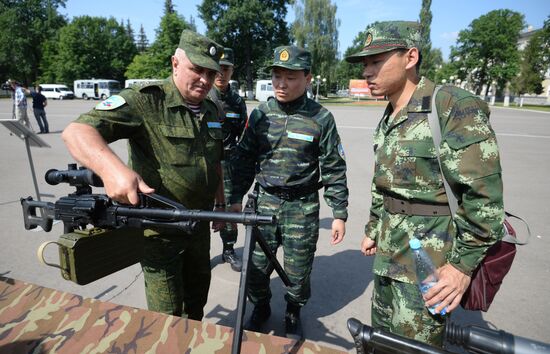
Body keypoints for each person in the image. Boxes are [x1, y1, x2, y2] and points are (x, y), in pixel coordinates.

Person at [345, 21, 505, 346]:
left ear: (411, 57)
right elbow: (384, 183)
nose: (368, 72)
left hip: (430, 263)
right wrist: (374, 228)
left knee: (415, 348)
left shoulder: (450, 106)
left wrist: (460, 268)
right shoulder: (389, 116)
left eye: (377, 62)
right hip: (389, 255)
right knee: (382, 342)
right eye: (365, 65)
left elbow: (484, 200)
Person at [61, 30, 226, 321]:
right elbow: (77, 132)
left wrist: (221, 204)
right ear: (175, 63)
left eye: (211, 73)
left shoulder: (212, 110)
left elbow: (214, 162)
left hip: (199, 227)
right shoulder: (145, 101)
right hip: (159, 233)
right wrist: (113, 170)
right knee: (167, 317)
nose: (205, 79)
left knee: (196, 304)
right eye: (196, 69)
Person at [228, 45, 349, 339]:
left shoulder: (321, 118)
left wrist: (339, 213)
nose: (281, 84)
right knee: (255, 267)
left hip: (302, 207)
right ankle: (261, 306)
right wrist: (233, 199)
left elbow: (334, 166)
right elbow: (243, 160)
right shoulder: (260, 115)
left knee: (298, 271)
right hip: (263, 203)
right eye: (276, 76)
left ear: (308, 79)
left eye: (290, 77)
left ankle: (293, 310)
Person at [208, 47, 248, 272]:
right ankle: (200, 252)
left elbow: (243, 133)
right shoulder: (203, 97)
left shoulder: (237, 102)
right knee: (202, 208)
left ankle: (229, 249)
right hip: (206, 164)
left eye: (226, 69)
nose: (221, 74)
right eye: (218, 69)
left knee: (230, 211)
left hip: (230, 165)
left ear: (232, 71)